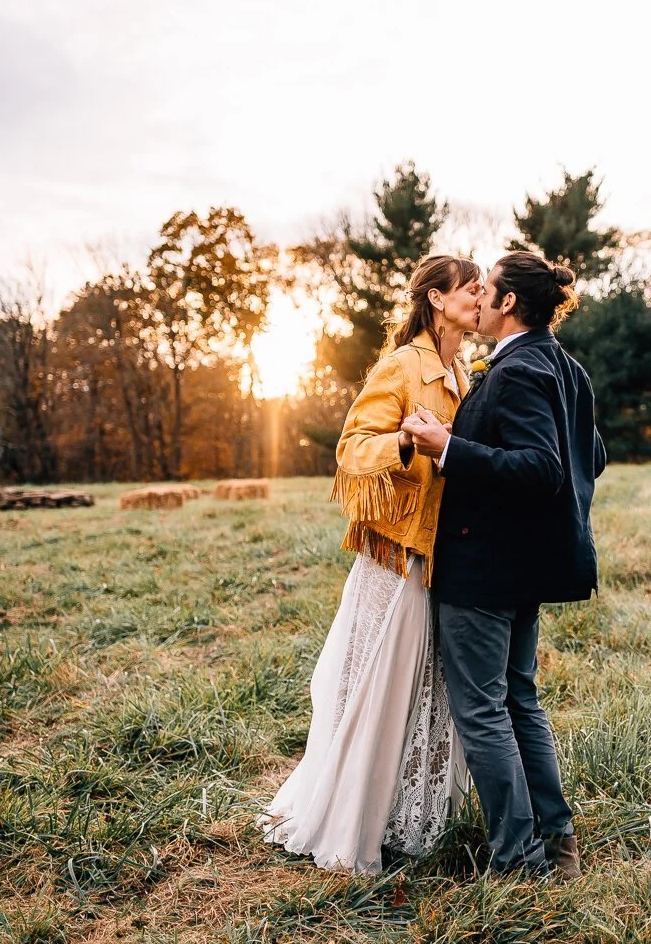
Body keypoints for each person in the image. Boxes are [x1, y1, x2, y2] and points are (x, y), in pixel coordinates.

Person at [258, 255, 482, 873]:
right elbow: (352, 448)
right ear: (436, 299)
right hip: (398, 557)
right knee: (379, 690)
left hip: (443, 556)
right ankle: (351, 822)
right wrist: (406, 440)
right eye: (470, 287)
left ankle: (411, 821)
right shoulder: (404, 365)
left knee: (424, 691)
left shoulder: (463, 368)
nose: (482, 294)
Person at [403, 250, 606, 879]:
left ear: (509, 302)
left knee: (485, 710)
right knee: (520, 699)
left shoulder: (516, 372)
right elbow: (588, 458)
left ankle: (520, 860)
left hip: (487, 568)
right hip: (529, 567)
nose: (480, 298)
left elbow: (544, 468)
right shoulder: (567, 369)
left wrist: (449, 447)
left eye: (488, 289)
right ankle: (559, 841)